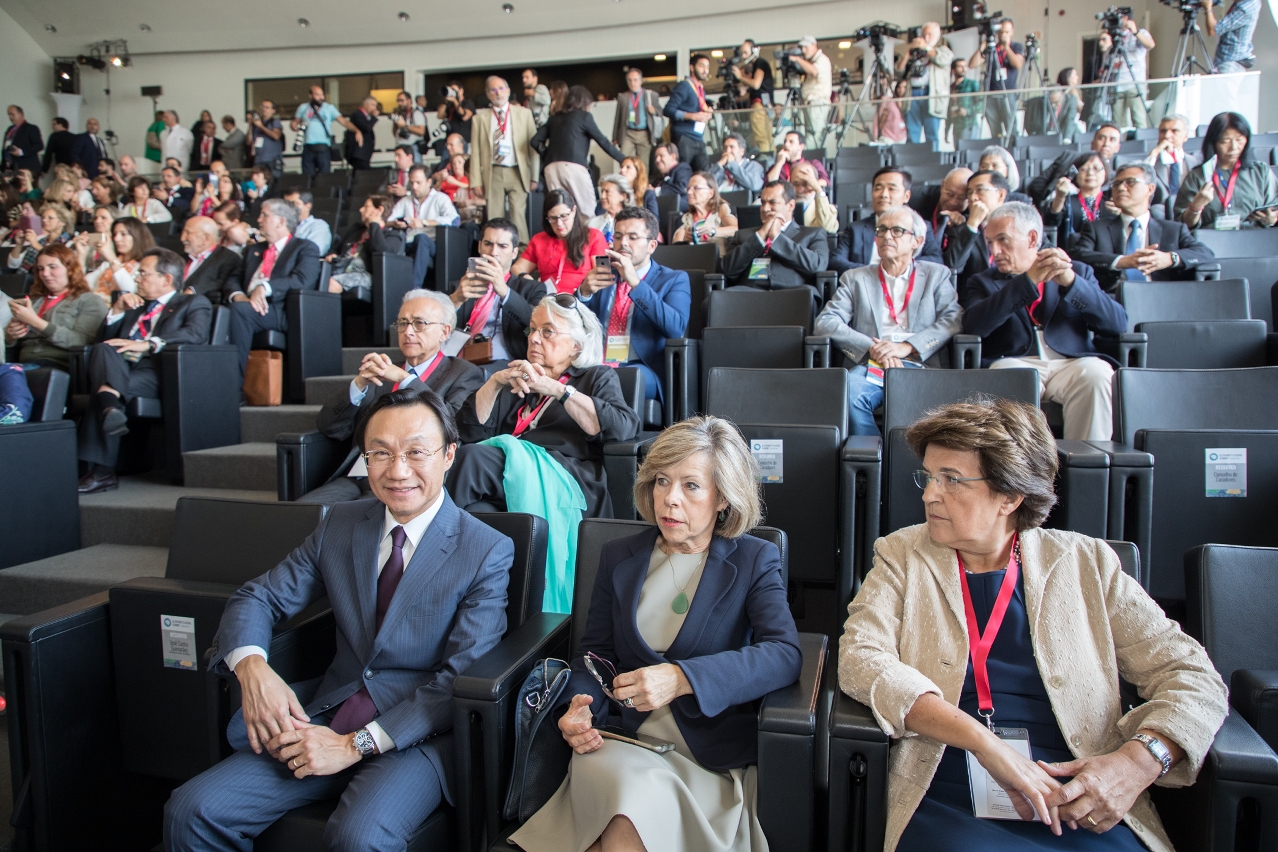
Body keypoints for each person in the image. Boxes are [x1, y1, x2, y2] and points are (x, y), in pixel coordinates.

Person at [839, 397, 1228, 852]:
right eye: (928, 476)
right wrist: (984, 744)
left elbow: (1193, 676)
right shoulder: (902, 556)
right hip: (948, 788)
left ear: (1010, 495)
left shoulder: (1087, 563)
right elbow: (862, 659)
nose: (929, 494)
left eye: (951, 479)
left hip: (1082, 797)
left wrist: (1136, 763)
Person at [165, 387, 515, 851]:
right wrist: (252, 668)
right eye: (380, 453)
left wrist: (353, 747)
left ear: (449, 454)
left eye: (416, 452)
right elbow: (258, 596)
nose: (398, 471)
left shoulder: (485, 549)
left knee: (357, 838)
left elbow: (458, 677)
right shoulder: (341, 523)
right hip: (330, 712)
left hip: (419, 734)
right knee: (191, 811)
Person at [510, 415, 801, 852]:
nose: (670, 500)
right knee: (624, 813)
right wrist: (579, 704)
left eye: (691, 486)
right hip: (622, 740)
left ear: (723, 496)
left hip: (706, 756)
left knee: (614, 834)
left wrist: (682, 679)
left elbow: (783, 653)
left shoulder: (754, 559)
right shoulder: (618, 556)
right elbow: (596, 655)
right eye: (662, 481)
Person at [450, 293, 642, 519]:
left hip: (564, 478)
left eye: (547, 331)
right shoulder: (518, 379)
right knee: (476, 511)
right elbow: (469, 432)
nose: (534, 338)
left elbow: (621, 427)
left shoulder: (596, 376)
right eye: (531, 329)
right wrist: (494, 383)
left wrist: (557, 390)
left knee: (471, 459)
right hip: (509, 474)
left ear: (576, 346)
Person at [960, 202, 1127, 441]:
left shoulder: (1077, 271)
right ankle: (1022, 473)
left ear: (1031, 238)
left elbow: (1117, 323)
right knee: (1009, 376)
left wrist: (1071, 283)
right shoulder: (982, 281)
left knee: (1098, 373)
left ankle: (1086, 467)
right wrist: (1028, 281)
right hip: (1014, 361)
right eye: (990, 242)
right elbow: (975, 325)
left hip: (1070, 363)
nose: (994, 251)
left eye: (1003, 240)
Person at [303, 290, 485, 504]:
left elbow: (452, 426)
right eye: (402, 323)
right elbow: (329, 427)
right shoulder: (382, 372)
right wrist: (359, 385)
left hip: (405, 480)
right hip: (358, 475)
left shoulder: (463, 373)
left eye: (419, 323)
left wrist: (405, 378)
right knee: (301, 516)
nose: (408, 331)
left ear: (444, 332)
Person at [75, 247, 212, 495]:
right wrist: (116, 310)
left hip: (158, 371)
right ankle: (110, 407)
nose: (137, 278)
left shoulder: (192, 302)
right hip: (120, 368)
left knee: (103, 389)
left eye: (143, 273)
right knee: (102, 349)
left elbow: (195, 334)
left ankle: (102, 467)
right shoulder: (134, 305)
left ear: (166, 279)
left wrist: (149, 343)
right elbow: (103, 342)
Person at [816, 205, 962, 436]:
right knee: (850, 393)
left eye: (897, 231)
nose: (886, 236)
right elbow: (826, 322)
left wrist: (907, 347)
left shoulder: (936, 274)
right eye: (882, 230)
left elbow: (953, 319)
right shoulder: (856, 278)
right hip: (872, 362)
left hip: (919, 363)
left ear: (917, 240)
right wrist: (872, 348)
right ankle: (874, 457)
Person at [578, 206, 691, 403]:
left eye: (632, 237)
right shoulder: (603, 275)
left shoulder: (674, 279)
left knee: (611, 379)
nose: (623, 243)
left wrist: (636, 284)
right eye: (619, 236)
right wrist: (583, 294)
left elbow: (675, 328)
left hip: (641, 367)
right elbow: (575, 325)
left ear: (652, 246)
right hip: (597, 362)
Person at [1074, 162, 1215, 294]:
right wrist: (1122, 261)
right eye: (1116, 184)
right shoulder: (1097, 228)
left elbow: (1205, 253)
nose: (1121, 188)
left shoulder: (1173, 230)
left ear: (1150, 188)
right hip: (1113, 298)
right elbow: (1077, 255)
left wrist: (1170, 258)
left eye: (1130, 182)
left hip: (1163, 297)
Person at [226, 198, 322, 378]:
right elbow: (234, 277)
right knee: (222, 310)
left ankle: (232, 386)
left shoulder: (304, 248)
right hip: (245, 304)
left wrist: (265, 287)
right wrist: (238, 295)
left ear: (281, 221)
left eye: (264, 215)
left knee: (239, 312)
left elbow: (302, 280)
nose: (259, 220)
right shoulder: (253, 250)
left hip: (278, 308)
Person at [449, 217, 549, 366]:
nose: (493, 252)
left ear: (515, 252)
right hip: (459, 360)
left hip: (505, 363)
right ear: (479, 247)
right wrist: (456, 299)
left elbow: (536, 322)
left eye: (502, 246)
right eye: (488, 244)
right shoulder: (459, 287)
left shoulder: (531, 288)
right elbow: (433, 324)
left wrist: (504, 291)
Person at [722, 180, 829, 304]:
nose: (765, 208)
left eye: (772, 202)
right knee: (712, 302)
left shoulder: (812, 234)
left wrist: (777, 237)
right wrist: (760, 236)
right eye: (762, 203)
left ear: (791, 205)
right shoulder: (743, 235)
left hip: (793, 295)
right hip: (749, 295)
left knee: (808, 295)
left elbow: (817, 266)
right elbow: (728, 270)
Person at [4, 244, 108, 370]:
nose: (45, 274)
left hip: (57, 364)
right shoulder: (34, 301)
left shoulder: (89, 300)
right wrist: (9, 337)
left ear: (70, 269)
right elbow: (10, 347)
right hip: (21, 364)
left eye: (52, 267)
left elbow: (82, 342)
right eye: (40, 269)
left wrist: (35, 322)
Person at [533, 85, 625, 218]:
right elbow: (603, 142)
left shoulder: (554, 118)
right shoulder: (584, 117)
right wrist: (624, 160)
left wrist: (547, 154)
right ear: (585, 103)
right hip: (573, 167)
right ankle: (591, 239)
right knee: (587, 213)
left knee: (561, 214)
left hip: (551, 169)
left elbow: (535, 141)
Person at [1176, 110, 1278, 229]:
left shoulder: (1261, 171)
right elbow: (1183, 226)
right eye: (1225, 141)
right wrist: (1196, 206)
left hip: (1254, 237)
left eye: (1239, 140)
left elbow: (1274, 207)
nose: (1234, 148)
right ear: (1213, 142)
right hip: (1213, 239)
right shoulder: (1198, 176)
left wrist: (1273, 218)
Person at [831, 167, 945, 273]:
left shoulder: (922, 227)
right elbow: (836, 262)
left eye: (892, 189)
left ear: (906, 196)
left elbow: (936, 260)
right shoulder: (855, 229)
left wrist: (899, 268)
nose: (884, 194)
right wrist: (875, 272)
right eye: (878, 189)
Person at [470, 76, 539, 246]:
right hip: (493, 172)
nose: (498, 92)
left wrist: (534, 176)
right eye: (493, 90)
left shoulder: (524, 114)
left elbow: (533, 148)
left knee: (518, 214)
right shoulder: (479, 119)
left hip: (518, 170)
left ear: (508, 91)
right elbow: (476, 152)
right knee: (495, 216)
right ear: (488, 94)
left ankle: (522, 251)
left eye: (501, 88)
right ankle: (496, 252)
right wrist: (475, 181)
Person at [511, 189, 609, 294]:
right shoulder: (539, 240)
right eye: (553, 218)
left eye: (564, 216)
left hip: (582, 300)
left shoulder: (594, 236)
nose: (559, 224)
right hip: (547, 300)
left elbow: (604, 274)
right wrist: (531, 283)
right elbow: (516, 268)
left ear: (573, 211)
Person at [388, 165, 460, 288]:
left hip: (431, 242)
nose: (414, 186)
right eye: (412, 182)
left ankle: (414, 288)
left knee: (421, 238)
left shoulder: (440, 198)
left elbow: (454, 220)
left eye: (418, 182)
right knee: (392, 239)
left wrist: (424, 222)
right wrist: (396, 224)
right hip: (408, 241)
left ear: (429, 182)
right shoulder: (406, 201)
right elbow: (388, 220)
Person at [324, 195, 404, 294]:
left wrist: (374, 224)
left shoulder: (393, 235)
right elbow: (335, 249)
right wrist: (331, 254)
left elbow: (380, 250)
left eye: (366, 207)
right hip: (342, 268)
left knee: (331, 283)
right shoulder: (356, 230)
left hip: (366, 275)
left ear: (379, 210)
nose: (361, 210)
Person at [944, 170, 1010, 288]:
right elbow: (953, 267)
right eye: (969, 193)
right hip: (976, 297)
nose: (973, 197)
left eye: (980, 190)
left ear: (1000, 195)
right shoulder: (960, 228)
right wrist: (972, 224)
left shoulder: (1021, 223)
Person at [968, 19, 1025, 142]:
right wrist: (983, 46)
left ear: (1012, 32)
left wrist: (1007, 47)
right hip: (991, 93)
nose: (1003, 34)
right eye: (1001, 32)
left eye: (1006, 32)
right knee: (994, 127)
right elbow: (972, 64)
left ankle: (1014, 150)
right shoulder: (991, 48)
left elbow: (1018, 64)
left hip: (1008, 92)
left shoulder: (1016, 47)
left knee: (1011, 126)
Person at [897, 22, 953, 145]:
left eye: (930, 34)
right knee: (912, 134)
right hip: (912, 94)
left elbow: (943, 60)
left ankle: (933, 162)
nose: (926, 37)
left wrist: (926, 47)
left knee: (932, 134)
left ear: (937, 36)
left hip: (932, 96)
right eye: (924, 34)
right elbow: (899, 71)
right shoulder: (915, 54)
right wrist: (908, 54)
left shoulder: (942, 51)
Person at [1041, 152, 1110, 250]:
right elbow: (1050, 222)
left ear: (1106, 172)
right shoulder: (1066, 201)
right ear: (1076, 174)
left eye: (1096, 168)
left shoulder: (1112, 200)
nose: (1090, 173)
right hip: (1074, 255)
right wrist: (1060, 197)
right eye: (1084, 169)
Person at [1097, 15, 1153, 130]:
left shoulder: (1138, 34)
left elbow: (1150, 45)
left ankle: (1142, 144)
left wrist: (1135, 31)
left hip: (1135, 84)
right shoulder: (1112, 43)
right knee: (1117, 123)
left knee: (1138, 119)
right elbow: (1104, 70)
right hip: (1116, 87)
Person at [663, 54, 714, 172]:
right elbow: (668, 110)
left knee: (704, 175)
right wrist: (692, 116)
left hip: (698, 138)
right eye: (702, 66)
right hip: (684, 137)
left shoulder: (700, 89)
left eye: (707, 67)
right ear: (692, 67)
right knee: (683, 173)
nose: (705, 70)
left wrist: (706, 113)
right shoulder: (684, 86)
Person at [84, 216, 154, 301]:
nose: (116, 239)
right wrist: (81, 254)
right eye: (114, 234)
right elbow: (82, 285)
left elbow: (130, 291)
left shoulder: (143, 267)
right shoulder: (107, 265)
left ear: (137, 237)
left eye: (123, 234)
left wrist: (111, 257)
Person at [1145, 114, 1201, 217]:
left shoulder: (1196, 163)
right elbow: (1141, 178)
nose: (1167, 136)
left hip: (1189, 209)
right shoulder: (1151, 161)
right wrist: (1154, 154)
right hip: (1160, 211)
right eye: (1163, 131)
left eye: (1174, 131)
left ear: (1186, 136)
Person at [179, 215, 241, 305]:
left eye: (188, 233)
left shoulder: (227, 257)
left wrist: (194, 290)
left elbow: (223, 282)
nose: (182, 238)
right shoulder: (180, 257)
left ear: (206, 238)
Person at [729, 39, 776, 152]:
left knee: (762, 139)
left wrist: (740, 77)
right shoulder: (758, 64)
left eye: (745, 52)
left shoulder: (760, 63)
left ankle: (766, 162)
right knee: (768, 139)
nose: (743, 56)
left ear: (754, 50)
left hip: (759, 107)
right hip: (764, 106)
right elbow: (756, 90)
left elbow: (756, 84)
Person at [612, 68, 662, 168]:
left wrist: (654, 111)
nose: (632, 83)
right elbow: (618, 117)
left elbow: (660, 112)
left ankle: (642, 183)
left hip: (644, 133)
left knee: (643, 164)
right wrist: (615, 137)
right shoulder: (623, 97)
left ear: (640, 80)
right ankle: (626, 183)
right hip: (628, 133)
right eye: (630, 80)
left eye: (635, 80)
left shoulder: (651, 95)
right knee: (624, 161)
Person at [672, 172, 739, 248]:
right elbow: (676, 247)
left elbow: (736, 229)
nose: (689, 192)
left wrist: (713, 231)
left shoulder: (721, 209)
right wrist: (685, 239)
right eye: (688, 188)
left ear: (710, 193)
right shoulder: (686, 218)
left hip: (717, 258)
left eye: (696, 188)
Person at [290, 85, 344, 176]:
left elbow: (343, 121)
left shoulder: (329, 108)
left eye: (322, 95)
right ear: (310, 95)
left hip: (323, 147)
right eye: (317, 94)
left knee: (324, 176)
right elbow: (295, 122)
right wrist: (293, 125)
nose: (321, 97)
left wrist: (356, 130)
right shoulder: (303, 108)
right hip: (308, 147)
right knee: (307, 176)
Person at [7, 203, 76, 273]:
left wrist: (36, 245)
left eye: (50, 218)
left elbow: (60, 260)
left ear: (62, 222)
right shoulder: (41, 240)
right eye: (43, 217)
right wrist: (19, 245)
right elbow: (12, 265)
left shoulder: (69, 242)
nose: (44, 220)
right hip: (24, 278)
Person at [793, 35, 834, 148]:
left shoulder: (822, 59)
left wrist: (797, 59)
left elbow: (814, 71)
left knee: (813, 136)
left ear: (814, 45)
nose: (803, 50)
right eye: (802, 48)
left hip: (817, 102)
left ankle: (811, 162)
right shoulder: (811, 61)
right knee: (810, 134)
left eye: (806, 47)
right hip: (812, 103)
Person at [1203, 0, 1261, 73]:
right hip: (1229, 60)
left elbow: (1213, 30)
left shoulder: (1245, 8)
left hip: (1230, 64)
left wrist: (1208, 7)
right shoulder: (1248, 2)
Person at [766, 129, 830, 188]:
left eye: (791, 142)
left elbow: (825, 181)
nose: (786, 144)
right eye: (785, 141)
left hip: (807, 197)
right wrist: (779, 163)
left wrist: (808, 185)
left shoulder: (813, 164)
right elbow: (769, 185)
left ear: (801, 147)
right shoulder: (778, 167)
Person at [284, 189, 333, 256]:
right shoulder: (281, 225)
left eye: (294, 204)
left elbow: (312, 252)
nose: (288, 208)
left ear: (308, 206)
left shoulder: (318, 226)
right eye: (285, 204)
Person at [587, 174, 634, 242]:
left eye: (607, 192)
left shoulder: (633, 223)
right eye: (602, 192)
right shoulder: (591, 223)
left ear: (623, 196)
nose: (602, 196)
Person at [947, 59, 983, 143]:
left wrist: (967, 111)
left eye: (965, 66)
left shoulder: (972, 84)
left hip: (969, 124)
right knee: (958, 153)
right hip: (956, 126)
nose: (963, 69)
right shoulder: (951, 87)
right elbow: (948, 110)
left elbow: (980, 104)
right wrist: (947, 131)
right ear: (953, 70)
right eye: (960, 66)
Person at [248, 100, 285, 178]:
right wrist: (251, 125)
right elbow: (248, 141)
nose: (264, 109)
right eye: (262, 107)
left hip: (272, 159)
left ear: (273, 110)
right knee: (258, 181)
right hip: (259, 159)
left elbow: (276, 136)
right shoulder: (256, 124)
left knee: (275, 182)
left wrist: (261, 126)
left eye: (267, 107)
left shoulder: (275, 122)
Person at [3, 105, 44, 177]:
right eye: (9, 114)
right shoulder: (10, 129)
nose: (10, 117)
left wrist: (21, 152)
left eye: (12, 114)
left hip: (27, 167)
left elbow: (39, 145)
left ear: (21, 114)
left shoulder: (31, 128)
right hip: (11, 167)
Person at [652, 142, 694, 212]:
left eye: (661, 156)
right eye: (656, 157)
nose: (657, 160)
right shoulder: (659, 178)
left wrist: (655, 191)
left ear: (673, 157)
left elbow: (682, 187)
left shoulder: (683, 168)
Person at [388, 90, 428, 162]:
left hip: (412, 147)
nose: (399, 103)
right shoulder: (400, 114)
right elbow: (395, 133)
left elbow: (421, 131)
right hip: (400, 146)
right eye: (398, 101)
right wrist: (395, 121)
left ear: (409, 100)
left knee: (415, 170)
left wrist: (405, 126)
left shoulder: (416, 113)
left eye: (402, 101)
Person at [344, 97, 381, 172]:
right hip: (358, 154)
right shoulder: (357, 115)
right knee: (364, 174)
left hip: (363, 155)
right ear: (365, 105)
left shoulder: (366, 116)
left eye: (375, 106)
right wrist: (374, 117)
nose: (375, 108)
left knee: (360, 175)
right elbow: (366, 127)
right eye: (372, 105)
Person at [438, 80, 476, 145]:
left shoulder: (468, 103)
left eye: (453, 90)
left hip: (463, 141)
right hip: (449, 139)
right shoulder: (450, 105)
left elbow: (464, 117)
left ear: (461, 90)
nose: (452, 92)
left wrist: (455, 101)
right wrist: (445, 102)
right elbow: (440, 115)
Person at [877, 80, 909, 144]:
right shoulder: (889, 101)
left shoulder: (908, 103)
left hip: (902, 136)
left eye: (904, 87)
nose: (901, 89)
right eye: (899, 87)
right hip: (888, 136)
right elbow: (879, 118)